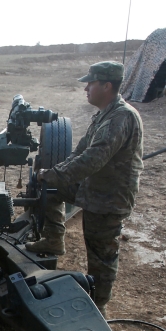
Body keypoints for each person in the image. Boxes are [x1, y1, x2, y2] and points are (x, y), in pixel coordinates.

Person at [25, 61, 144, 317]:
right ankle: (54, 238)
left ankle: (98, 306)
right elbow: (80, 152)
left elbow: (93, 159)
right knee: (50, 189)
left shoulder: (121, 117)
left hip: (108, 198)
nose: (86, 88)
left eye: (90, 83)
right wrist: (51, 176)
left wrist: (56, 174)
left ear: (107, 85)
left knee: (101, 254)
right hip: (92, 188)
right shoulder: (105, 114)